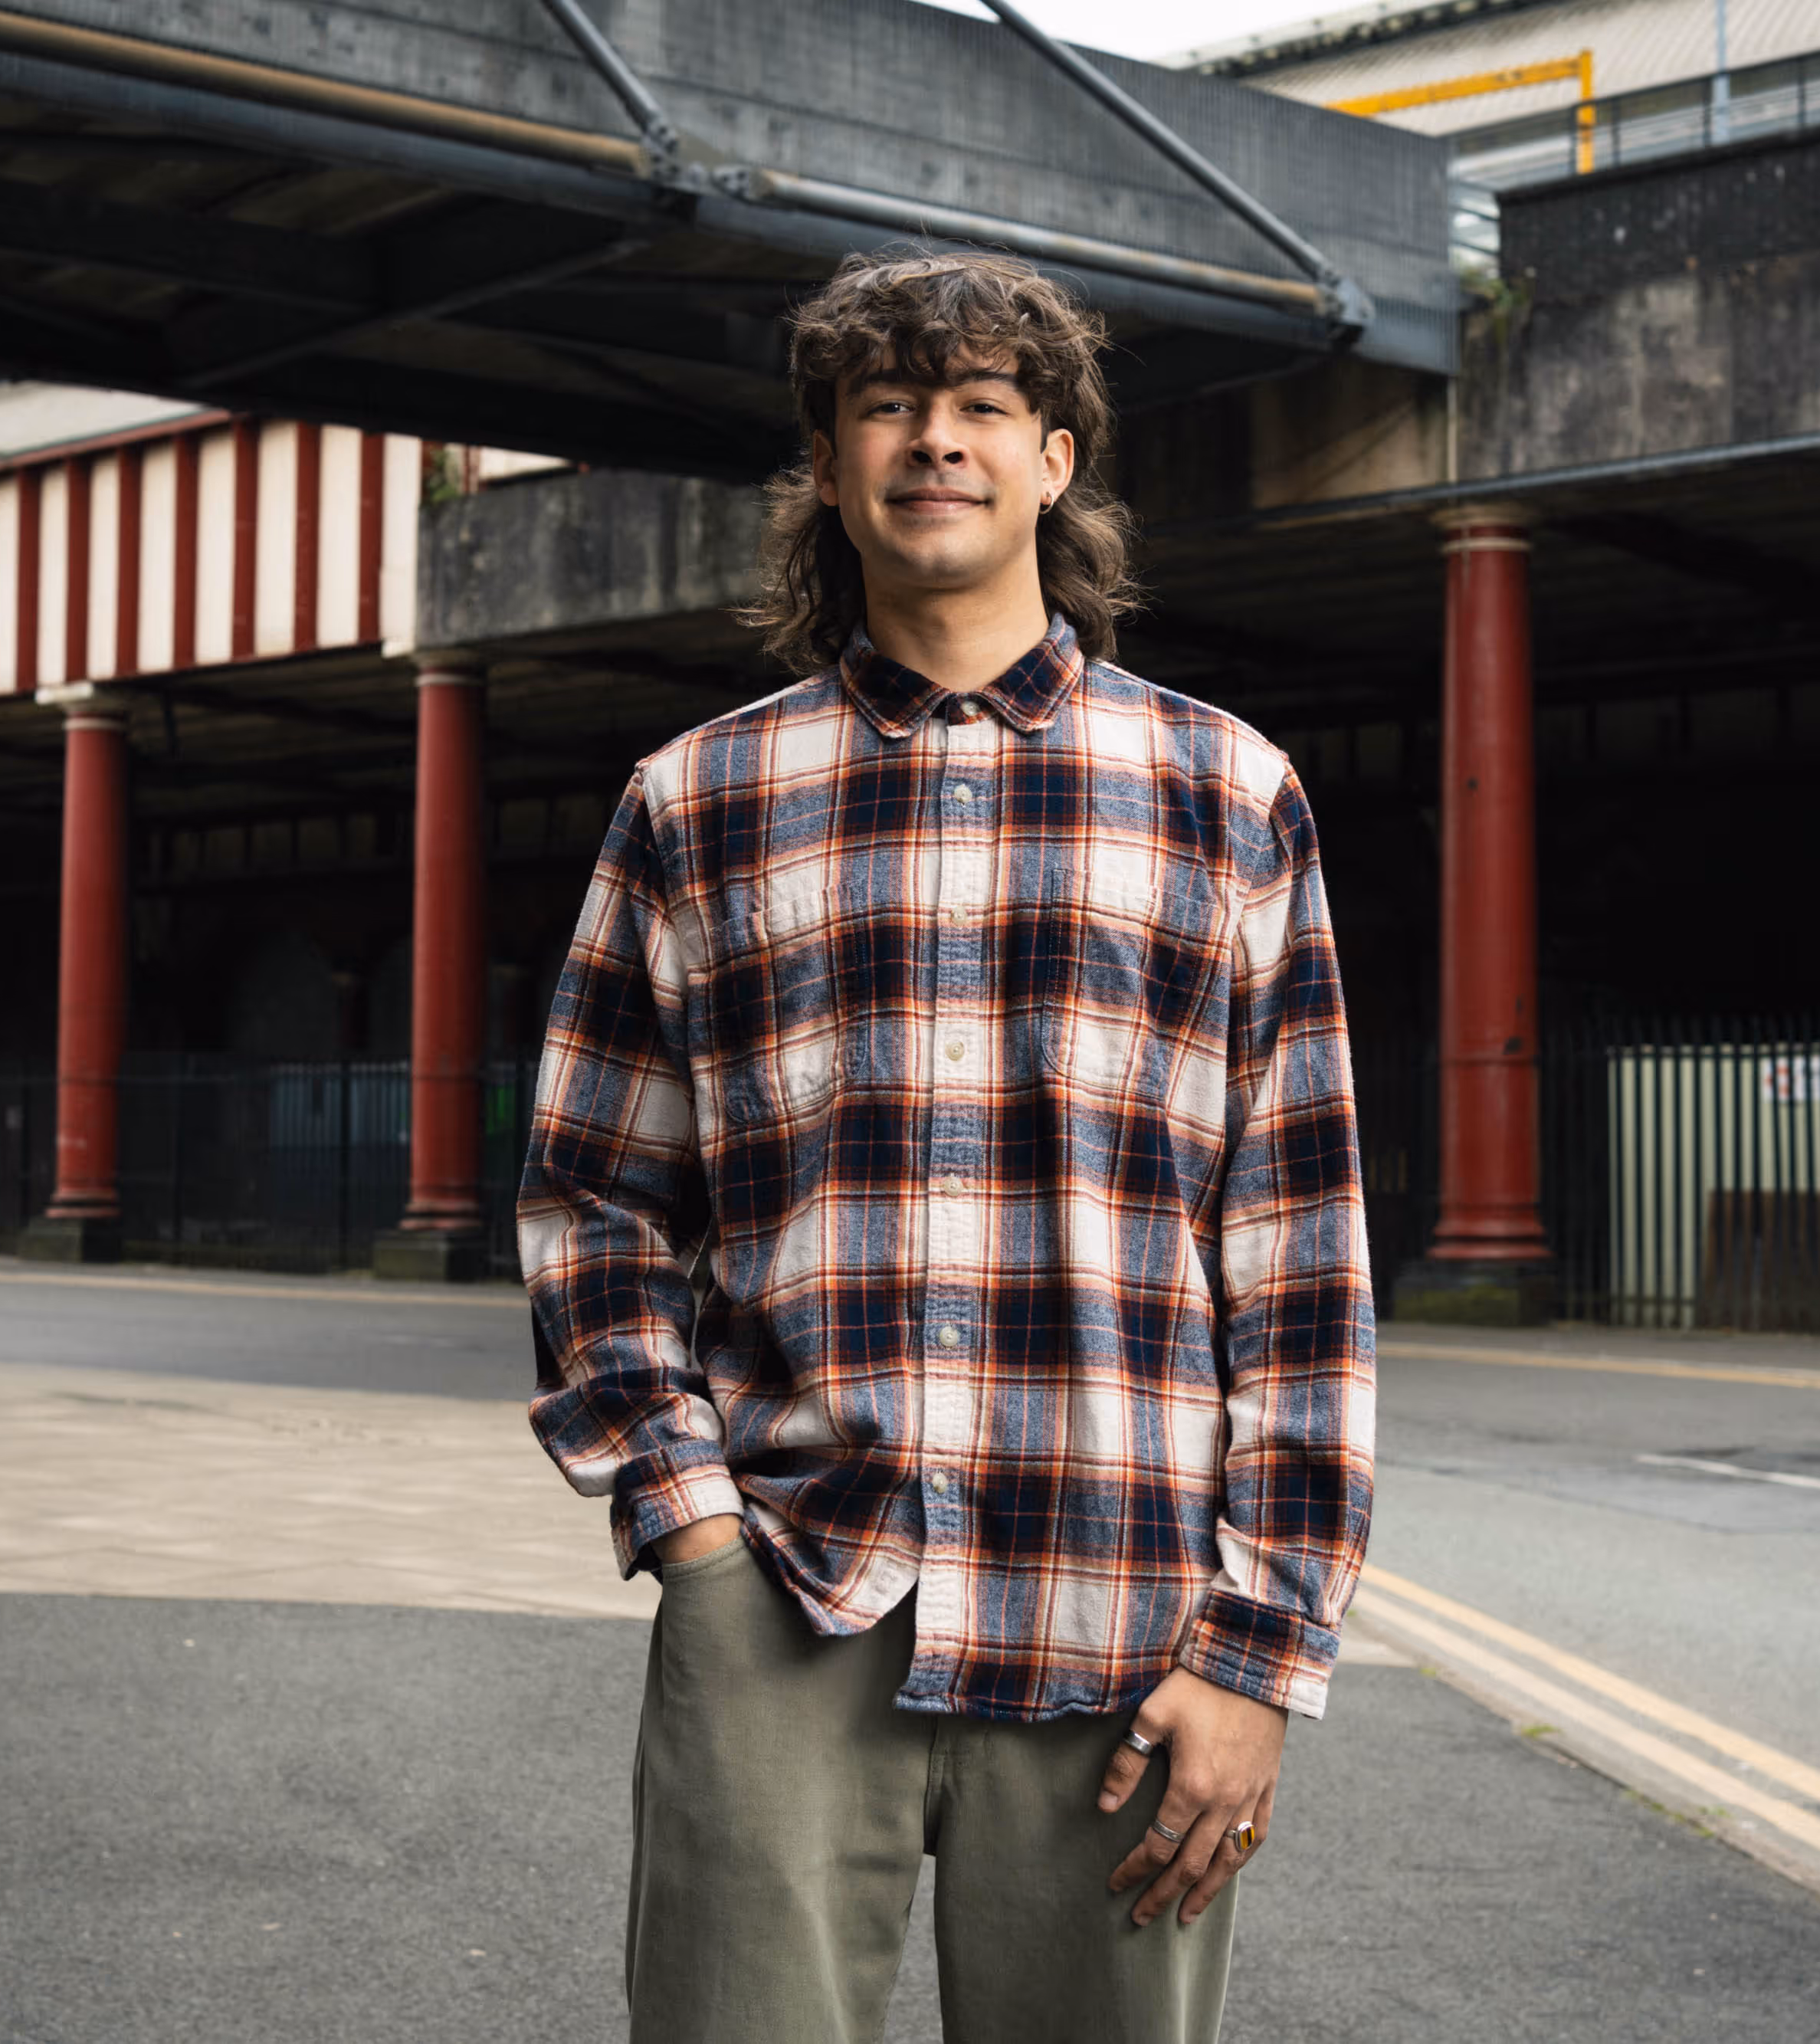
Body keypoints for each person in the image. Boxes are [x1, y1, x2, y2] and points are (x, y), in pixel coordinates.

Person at [516, 246, 1376, 2044]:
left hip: (1127, 1614)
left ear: (1054, 461)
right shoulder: (696, 802)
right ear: (827, 469)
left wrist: (1262, 1648)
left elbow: (1297, 1263)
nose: (936, 440)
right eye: (887, 407)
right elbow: (594, 1199)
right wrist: (686, 1529)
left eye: (984, 404)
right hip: (787, 1592)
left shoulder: (1226, 797)